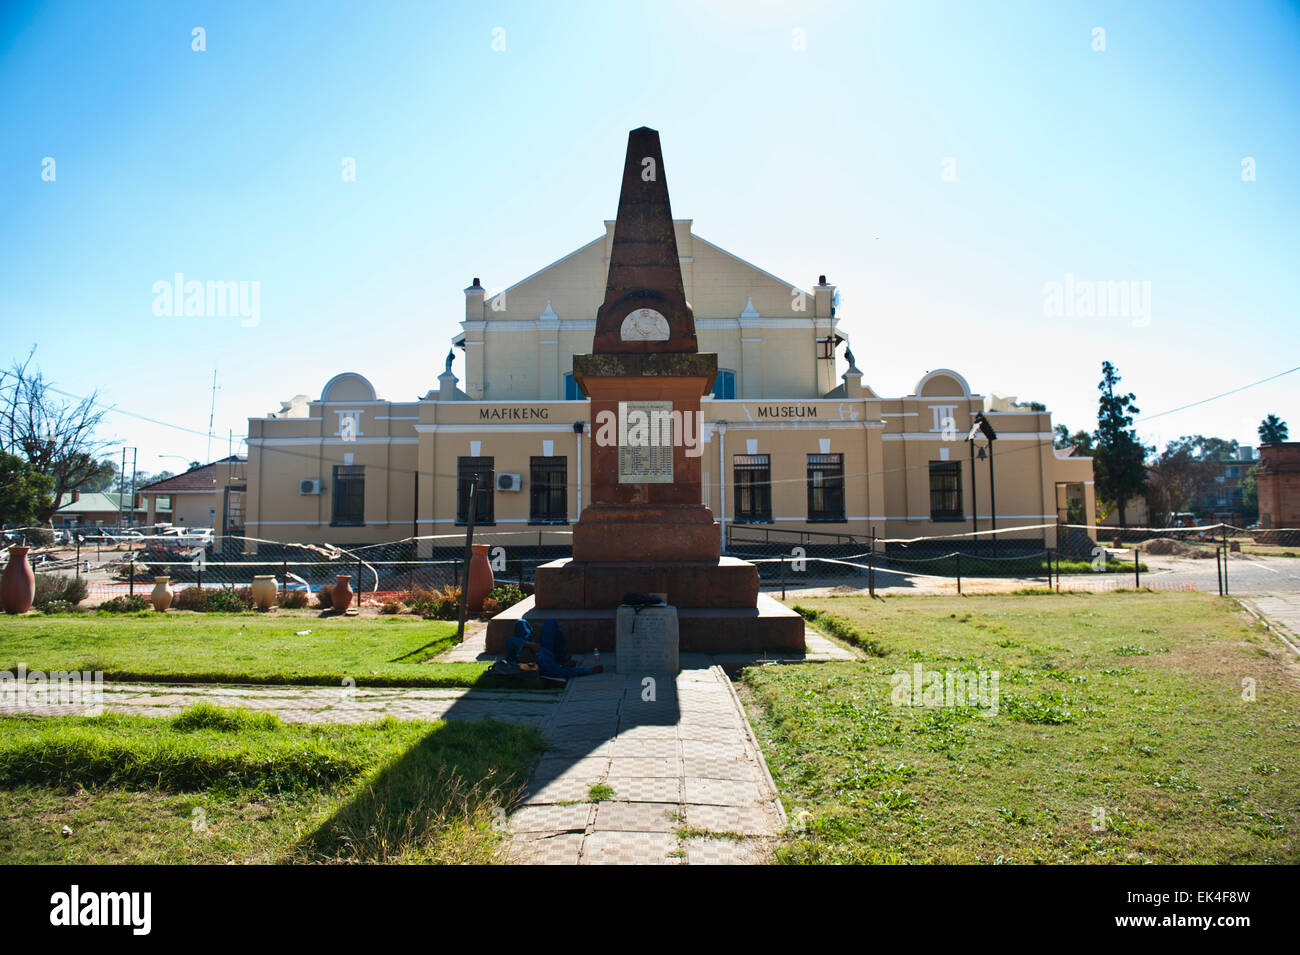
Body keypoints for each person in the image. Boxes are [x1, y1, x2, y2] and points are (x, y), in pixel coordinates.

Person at [505, 618, 602, 679]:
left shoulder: (513, 658)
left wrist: (527, 645)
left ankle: (528, 637)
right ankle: (562, 658)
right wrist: (589, 670)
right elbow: (565, 672)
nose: (525, 654)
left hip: (525, 643)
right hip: (547, 649)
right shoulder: (543, 665)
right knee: (550, 622)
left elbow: (509, 640)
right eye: (527, 655)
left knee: (520, 623)